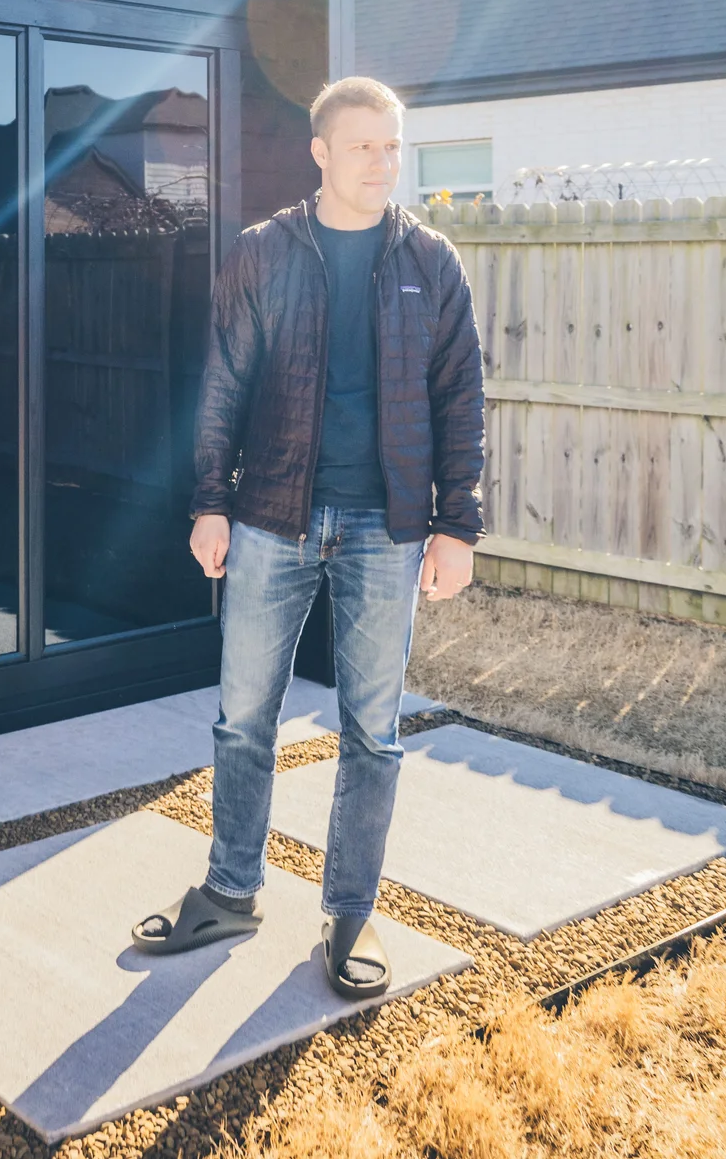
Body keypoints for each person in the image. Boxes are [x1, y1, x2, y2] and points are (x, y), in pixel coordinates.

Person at [131, 75, 484, 1000]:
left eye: (393, 145)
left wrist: (457, 523)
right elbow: (223, 383)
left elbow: (461, 399)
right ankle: (230, 890)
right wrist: (211, 500)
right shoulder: (263, 253)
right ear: (320, 151)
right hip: (271, 517)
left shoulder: (431, 261)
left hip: (388, 528)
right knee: (244, 717)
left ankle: (349, 913)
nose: (383, 162)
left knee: (373, 733)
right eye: (364, 145)